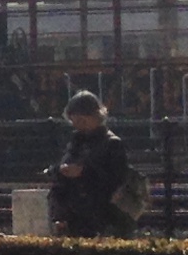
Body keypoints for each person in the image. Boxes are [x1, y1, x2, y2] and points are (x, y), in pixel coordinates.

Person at [48, 91, 141, 238]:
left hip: (104, 215)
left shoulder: (112, 144)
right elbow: (59, 179)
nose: (78, 126)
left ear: (96, 117)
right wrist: (60, 171)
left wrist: (83, 172)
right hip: (76, 216)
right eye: (75, 122)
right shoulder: (76, 142)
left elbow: (116, 179)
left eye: (82, 121)